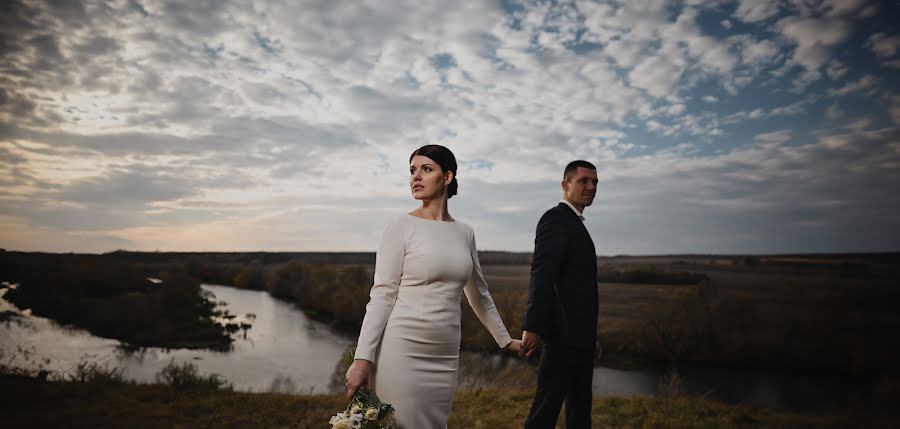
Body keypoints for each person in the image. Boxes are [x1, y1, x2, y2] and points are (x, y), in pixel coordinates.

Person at [345, 144, 523, 429]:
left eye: (426, 169)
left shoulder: (465, 232)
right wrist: (363, 358)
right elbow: (381, 295)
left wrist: (505, 339)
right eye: (412, 171)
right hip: (402, 349)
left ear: (448, 177)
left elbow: (479, 293)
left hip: (445, 353)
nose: (416, 177)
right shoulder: (399, 226)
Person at [520, 160, 599, 428]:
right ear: (565, 185)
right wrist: (532, 327)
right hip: (562, 340)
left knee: (579, 414)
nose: (591, 187)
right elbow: (542, 274)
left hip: (582, 341)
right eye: (583, 181)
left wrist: (590, 336)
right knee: (544, 414)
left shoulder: (576, 223)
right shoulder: (555, 219)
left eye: (595, 183)